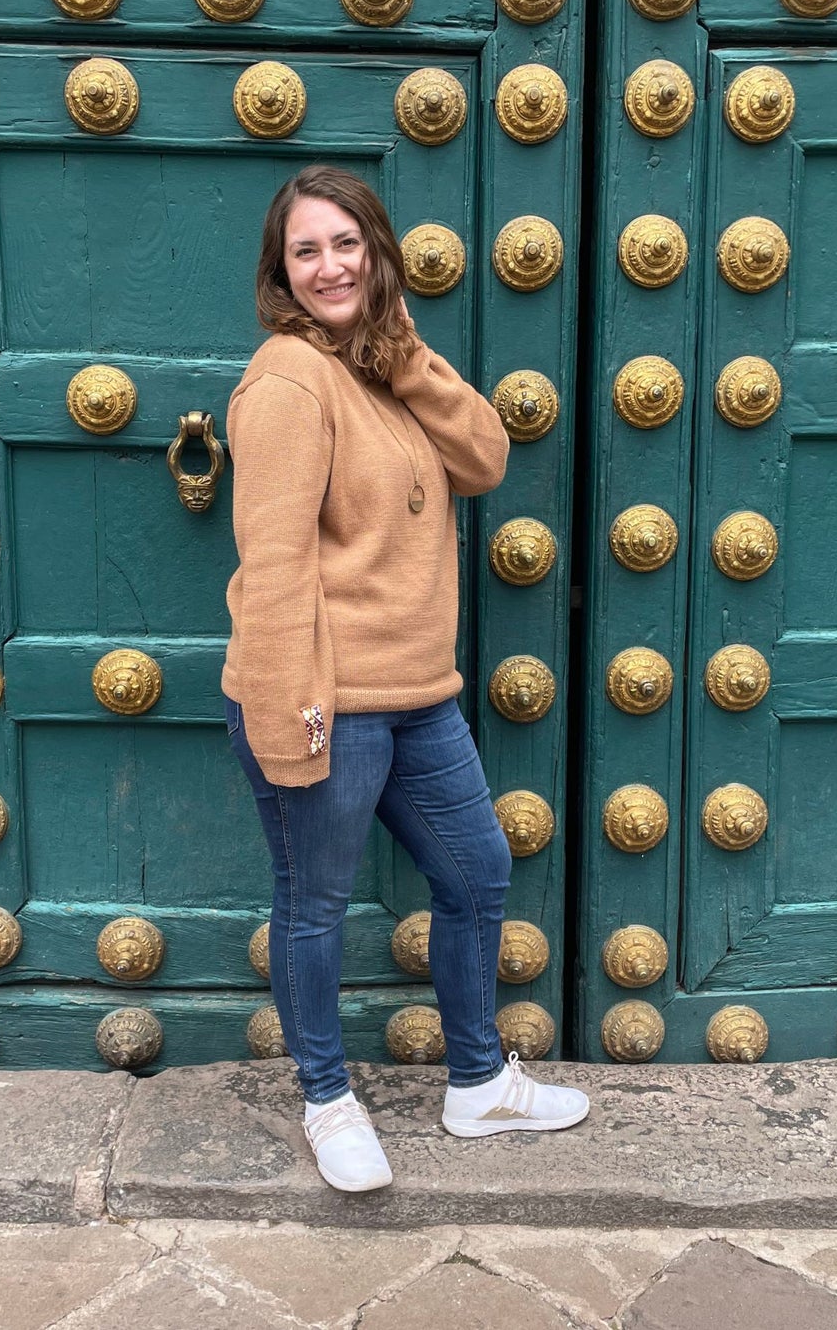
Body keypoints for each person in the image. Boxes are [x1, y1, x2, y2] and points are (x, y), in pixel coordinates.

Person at [221, 164, 589, 1193]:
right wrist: (289, 706)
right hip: (329, 698)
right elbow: (276, 558)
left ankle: (476, 1081)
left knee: (474, 873)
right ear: (281, 273)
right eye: (307, 250)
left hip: (421, 693)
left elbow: (482, 454)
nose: (330, 264)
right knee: (315, 903)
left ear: (377, 254)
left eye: (348, 244)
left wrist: (403, 349)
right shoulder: (289, 379)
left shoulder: (378, 366)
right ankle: (327, 1098)